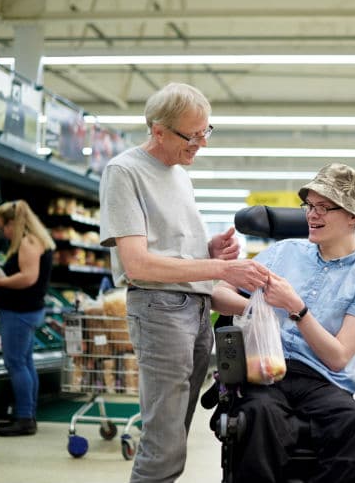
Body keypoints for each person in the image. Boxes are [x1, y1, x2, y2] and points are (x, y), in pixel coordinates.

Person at [98, 82, 269, 483]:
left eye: (206, 132)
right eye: (192, 136)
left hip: (195, 310)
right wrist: (221, 270)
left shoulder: (178, 174)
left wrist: (209, 250)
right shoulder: (125, 172)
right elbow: (138, 264)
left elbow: (171, 251)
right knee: (163, 442)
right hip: (160, 311)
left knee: (177, 434)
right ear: (158, 131)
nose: (202, 145)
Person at [212, 163, 355, 483]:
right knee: (257, 415)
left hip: (324, 380)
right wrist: (258, 309)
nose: (312, 214)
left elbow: (337, 357)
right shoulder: (282, 253)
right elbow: (218, 294)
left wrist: (296, 308)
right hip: (268, 371)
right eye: (309, 205)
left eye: (324, 207)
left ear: (353, 216)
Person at [0, 200, 55, 436]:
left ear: (13, 223)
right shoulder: (35, 240)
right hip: (26, 310)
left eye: (3, 227)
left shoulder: (28, 242)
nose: (3, 232)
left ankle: (24, 418)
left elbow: (28, 277)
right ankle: (27, 414)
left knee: (15, 363)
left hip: (20, 312)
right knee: (25, 363)